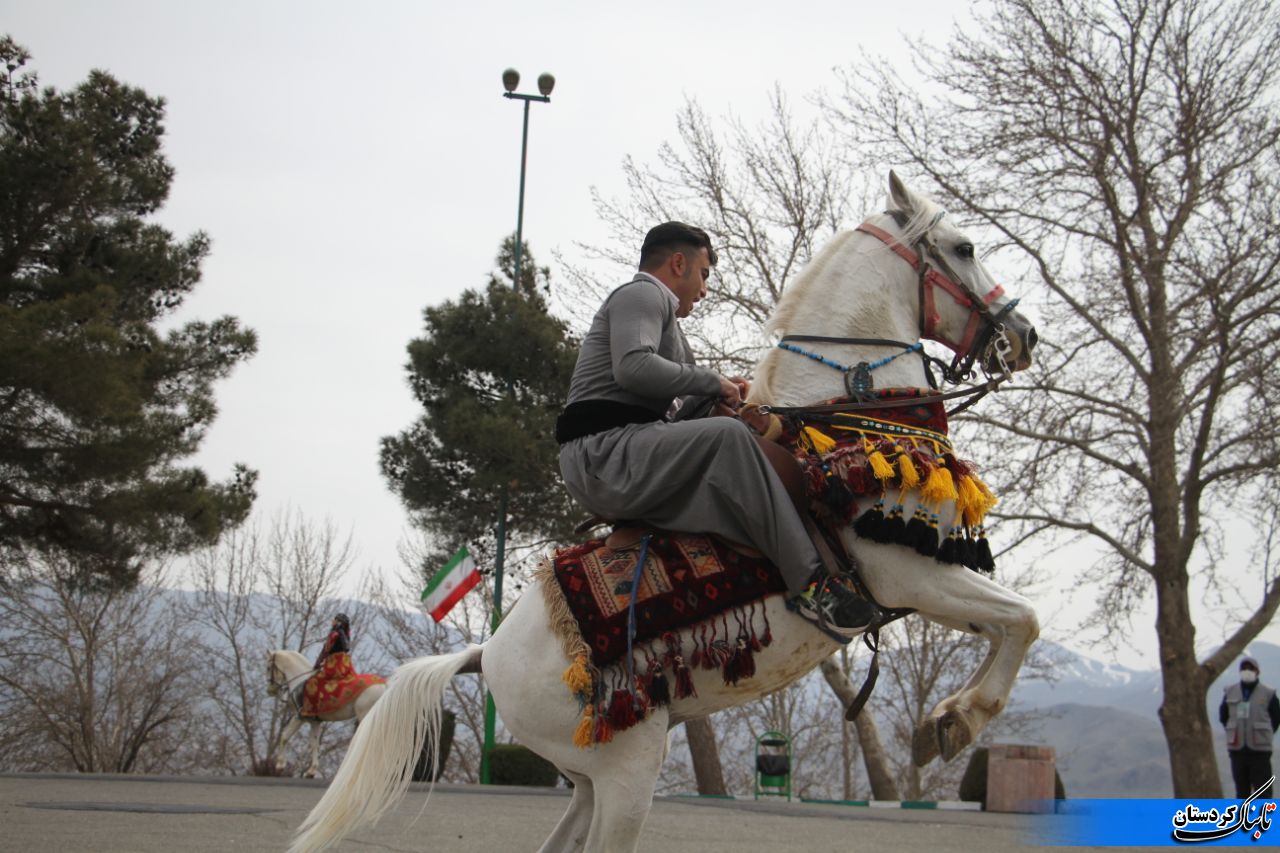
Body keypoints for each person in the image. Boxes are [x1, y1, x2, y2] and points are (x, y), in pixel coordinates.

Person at [555, 221, 877, 639]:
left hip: (623, 451)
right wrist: (712, 382)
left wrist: (719, 398)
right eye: (704, 275)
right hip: (602, 454)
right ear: (678, 263)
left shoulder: (669, 325)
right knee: (728, 437)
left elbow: (672, 410)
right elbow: (633, 368)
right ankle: (813, 586)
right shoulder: (643, 294)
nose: (704, 290)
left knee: (727, 430)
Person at [1219, 656, 1280, 798]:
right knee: (1241, 792)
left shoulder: (1268, 693)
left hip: (1260, 752)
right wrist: (1234, 731)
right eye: (1244, 668)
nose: (1247, 671)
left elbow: (1276, 718)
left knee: (1263, 791)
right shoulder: (1229, 692)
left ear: (1257, 672)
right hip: (1237, 751)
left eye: (1250, 668)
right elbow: (1223, 716)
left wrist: (1265, 734)